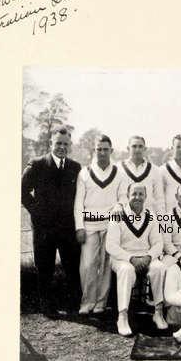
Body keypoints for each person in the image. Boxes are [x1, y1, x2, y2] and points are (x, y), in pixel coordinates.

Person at [21, 128, 81, 317]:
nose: (62, 147)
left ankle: (73, 305)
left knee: (71, 266)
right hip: (44, 229)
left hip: (67, 228)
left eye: (65, 144)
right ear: (51, 144)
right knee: (44, 267)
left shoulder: (75, 167)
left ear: (69, 145)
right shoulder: (37, 164)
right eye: (58, 143)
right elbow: (22, 191)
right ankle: (46, 306)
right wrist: (36, 211)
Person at [73, 134, 128, 315]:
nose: (102, 153)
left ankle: (101, 303)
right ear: (94, 151)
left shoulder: (119, 173)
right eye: (99, 149)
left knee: (105, 265)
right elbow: (79, 202)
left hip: (110, 225)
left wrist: (120, 205)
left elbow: (123, 197)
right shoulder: (85, 172)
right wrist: (79, 227)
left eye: (105, 149)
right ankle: (87, 301)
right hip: (89, 225)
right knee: (88, 265)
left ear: (111, 151)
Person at [105, 184, 167, 336]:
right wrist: (131, 258)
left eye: (141, 194)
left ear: (146, 197)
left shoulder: (151, 216)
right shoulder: (118, 215)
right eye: (134, 194)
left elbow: (158, 243)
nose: (137, 197)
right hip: (122, 258)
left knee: (159, 268)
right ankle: (123, 316)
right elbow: (111, 245)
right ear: (127, 195)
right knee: (126, 270)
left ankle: (158, 312)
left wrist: (148, 257)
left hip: (145, 257)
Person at [120, 135, 164, 216]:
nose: (137, 149)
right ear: (128, 148)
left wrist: (162, 222)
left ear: (145, 149)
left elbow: (159, 199)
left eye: (140, 146)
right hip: (125, 218)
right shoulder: (119, 168)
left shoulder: (155, 170)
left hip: (148, 218)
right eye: (134, 146)